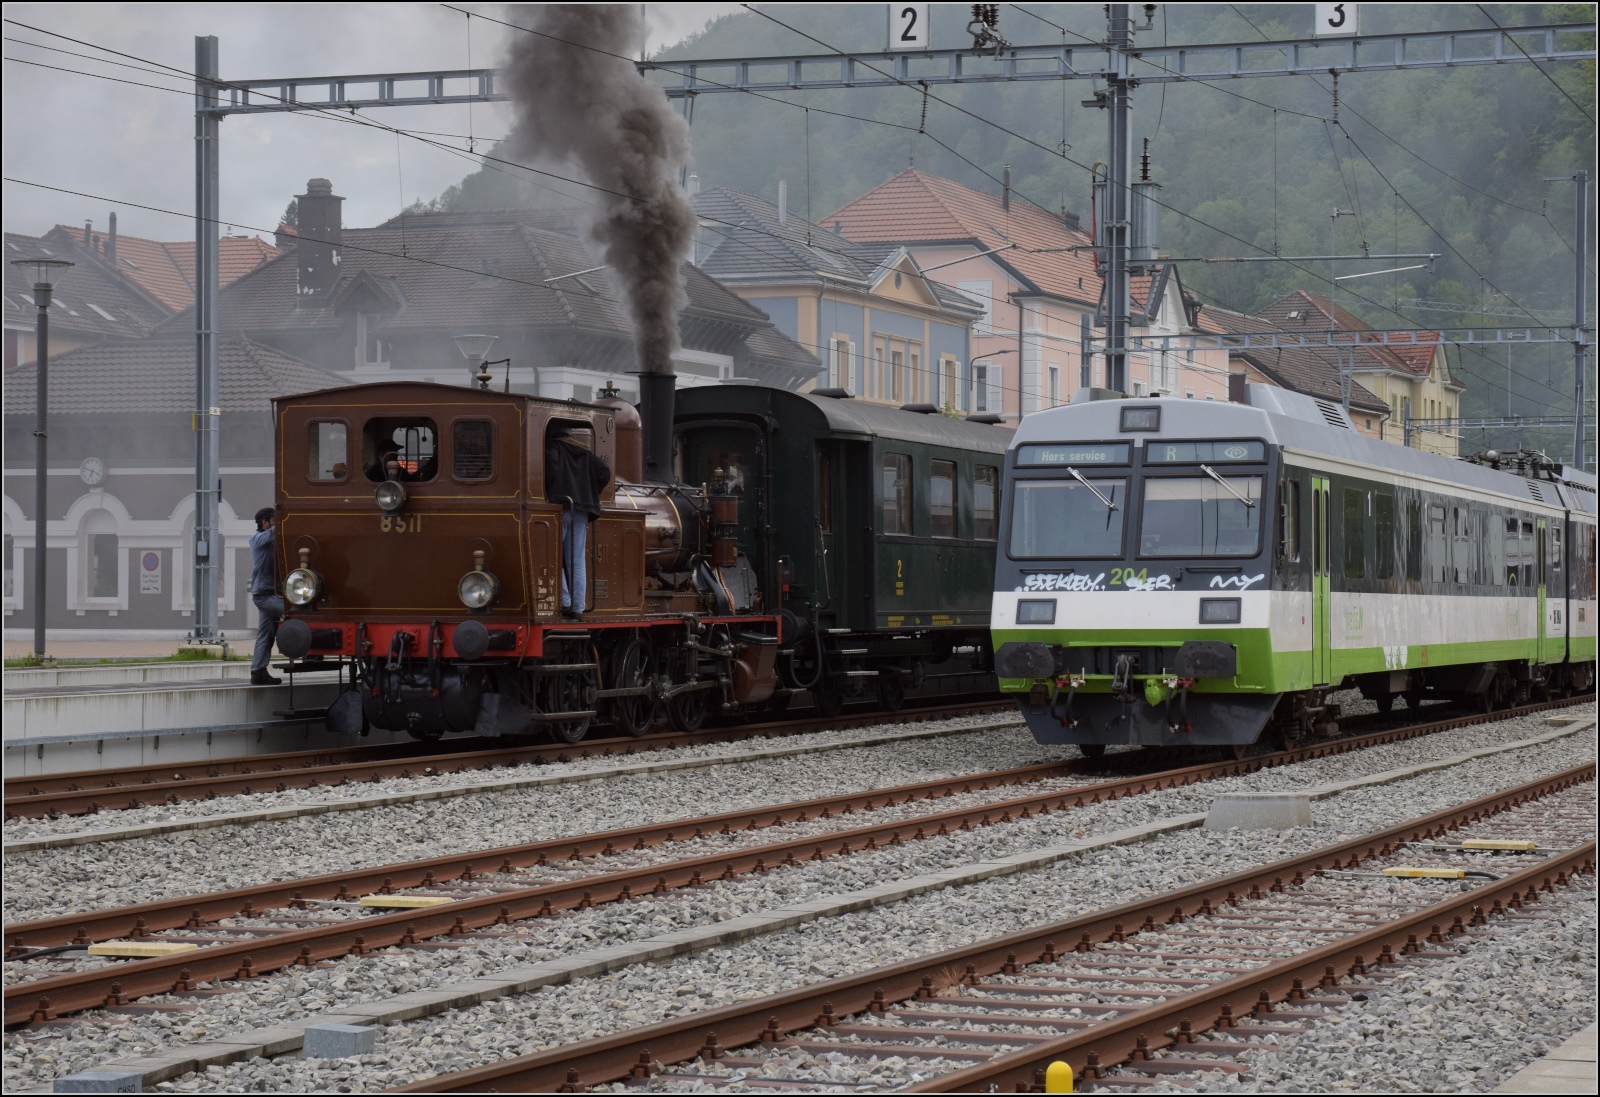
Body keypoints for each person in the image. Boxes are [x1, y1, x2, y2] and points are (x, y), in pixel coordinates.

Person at [544, 426, 611, 620]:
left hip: (560, 507)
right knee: (576, 560)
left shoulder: (553, 448)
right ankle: (578, 606)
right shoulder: (585, 452)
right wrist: (589, 492)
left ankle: (564, 601)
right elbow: (604, 471)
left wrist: (548, 490)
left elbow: (551, 467)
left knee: (552, 557)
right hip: (581, 509)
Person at [249, 506, 283, 685]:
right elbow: (278, 530)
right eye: (274, 520)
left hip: (271, 593)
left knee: (266, 634)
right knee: (296, 612)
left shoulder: (270, 540)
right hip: (263, 595)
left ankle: (258, 671)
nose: (276, 523)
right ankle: (310, 655)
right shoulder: (258, 539)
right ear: (265, 523)